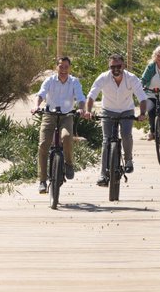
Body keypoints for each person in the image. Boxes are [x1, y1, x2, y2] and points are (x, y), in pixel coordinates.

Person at [86, 54, 147, 186]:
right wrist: (88, 111)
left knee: (126, 135)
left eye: (118, 66)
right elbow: (91, 95)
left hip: (126, 110)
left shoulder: (131, 78)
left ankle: (129, 159)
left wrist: (142, 113)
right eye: (112, 66)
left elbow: (142, 97)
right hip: (108, 110)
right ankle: (103, 175)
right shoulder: (103, 77)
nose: (115, 69)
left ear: (123, 66)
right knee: (106, 141)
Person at [34, 56, 87, 194]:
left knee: (67, 137)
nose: (63, 69)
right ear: (56, 67)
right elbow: (41, 94)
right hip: (49, 115)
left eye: (66, 67)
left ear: (69, 68)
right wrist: (36, 106)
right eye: (60, 66)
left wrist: (81, 108)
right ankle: (42, 180)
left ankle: (69, 164)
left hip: (67, 116)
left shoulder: (74, 81)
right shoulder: (50, 80)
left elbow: (81, 98)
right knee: (43, 144)